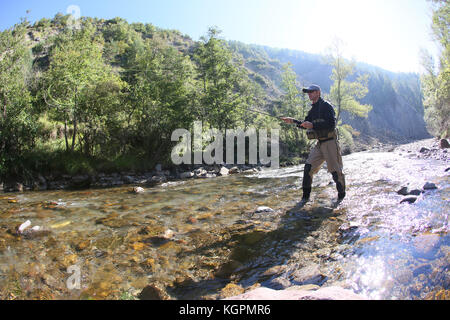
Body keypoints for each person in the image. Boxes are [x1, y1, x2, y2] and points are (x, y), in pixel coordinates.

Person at [281, 84, 346, 203]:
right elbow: (305, 124)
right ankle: (305, 199)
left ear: (318, 93)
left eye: (311, 92)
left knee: (336, 172)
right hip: (320, 144)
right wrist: (293, 121)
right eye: (308, 92)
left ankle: (341, 197)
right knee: (308, 168)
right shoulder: (312, 110)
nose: (309, 94)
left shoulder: (327, 106)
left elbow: (331, 124)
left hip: (330, 142)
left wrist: (313, 125)